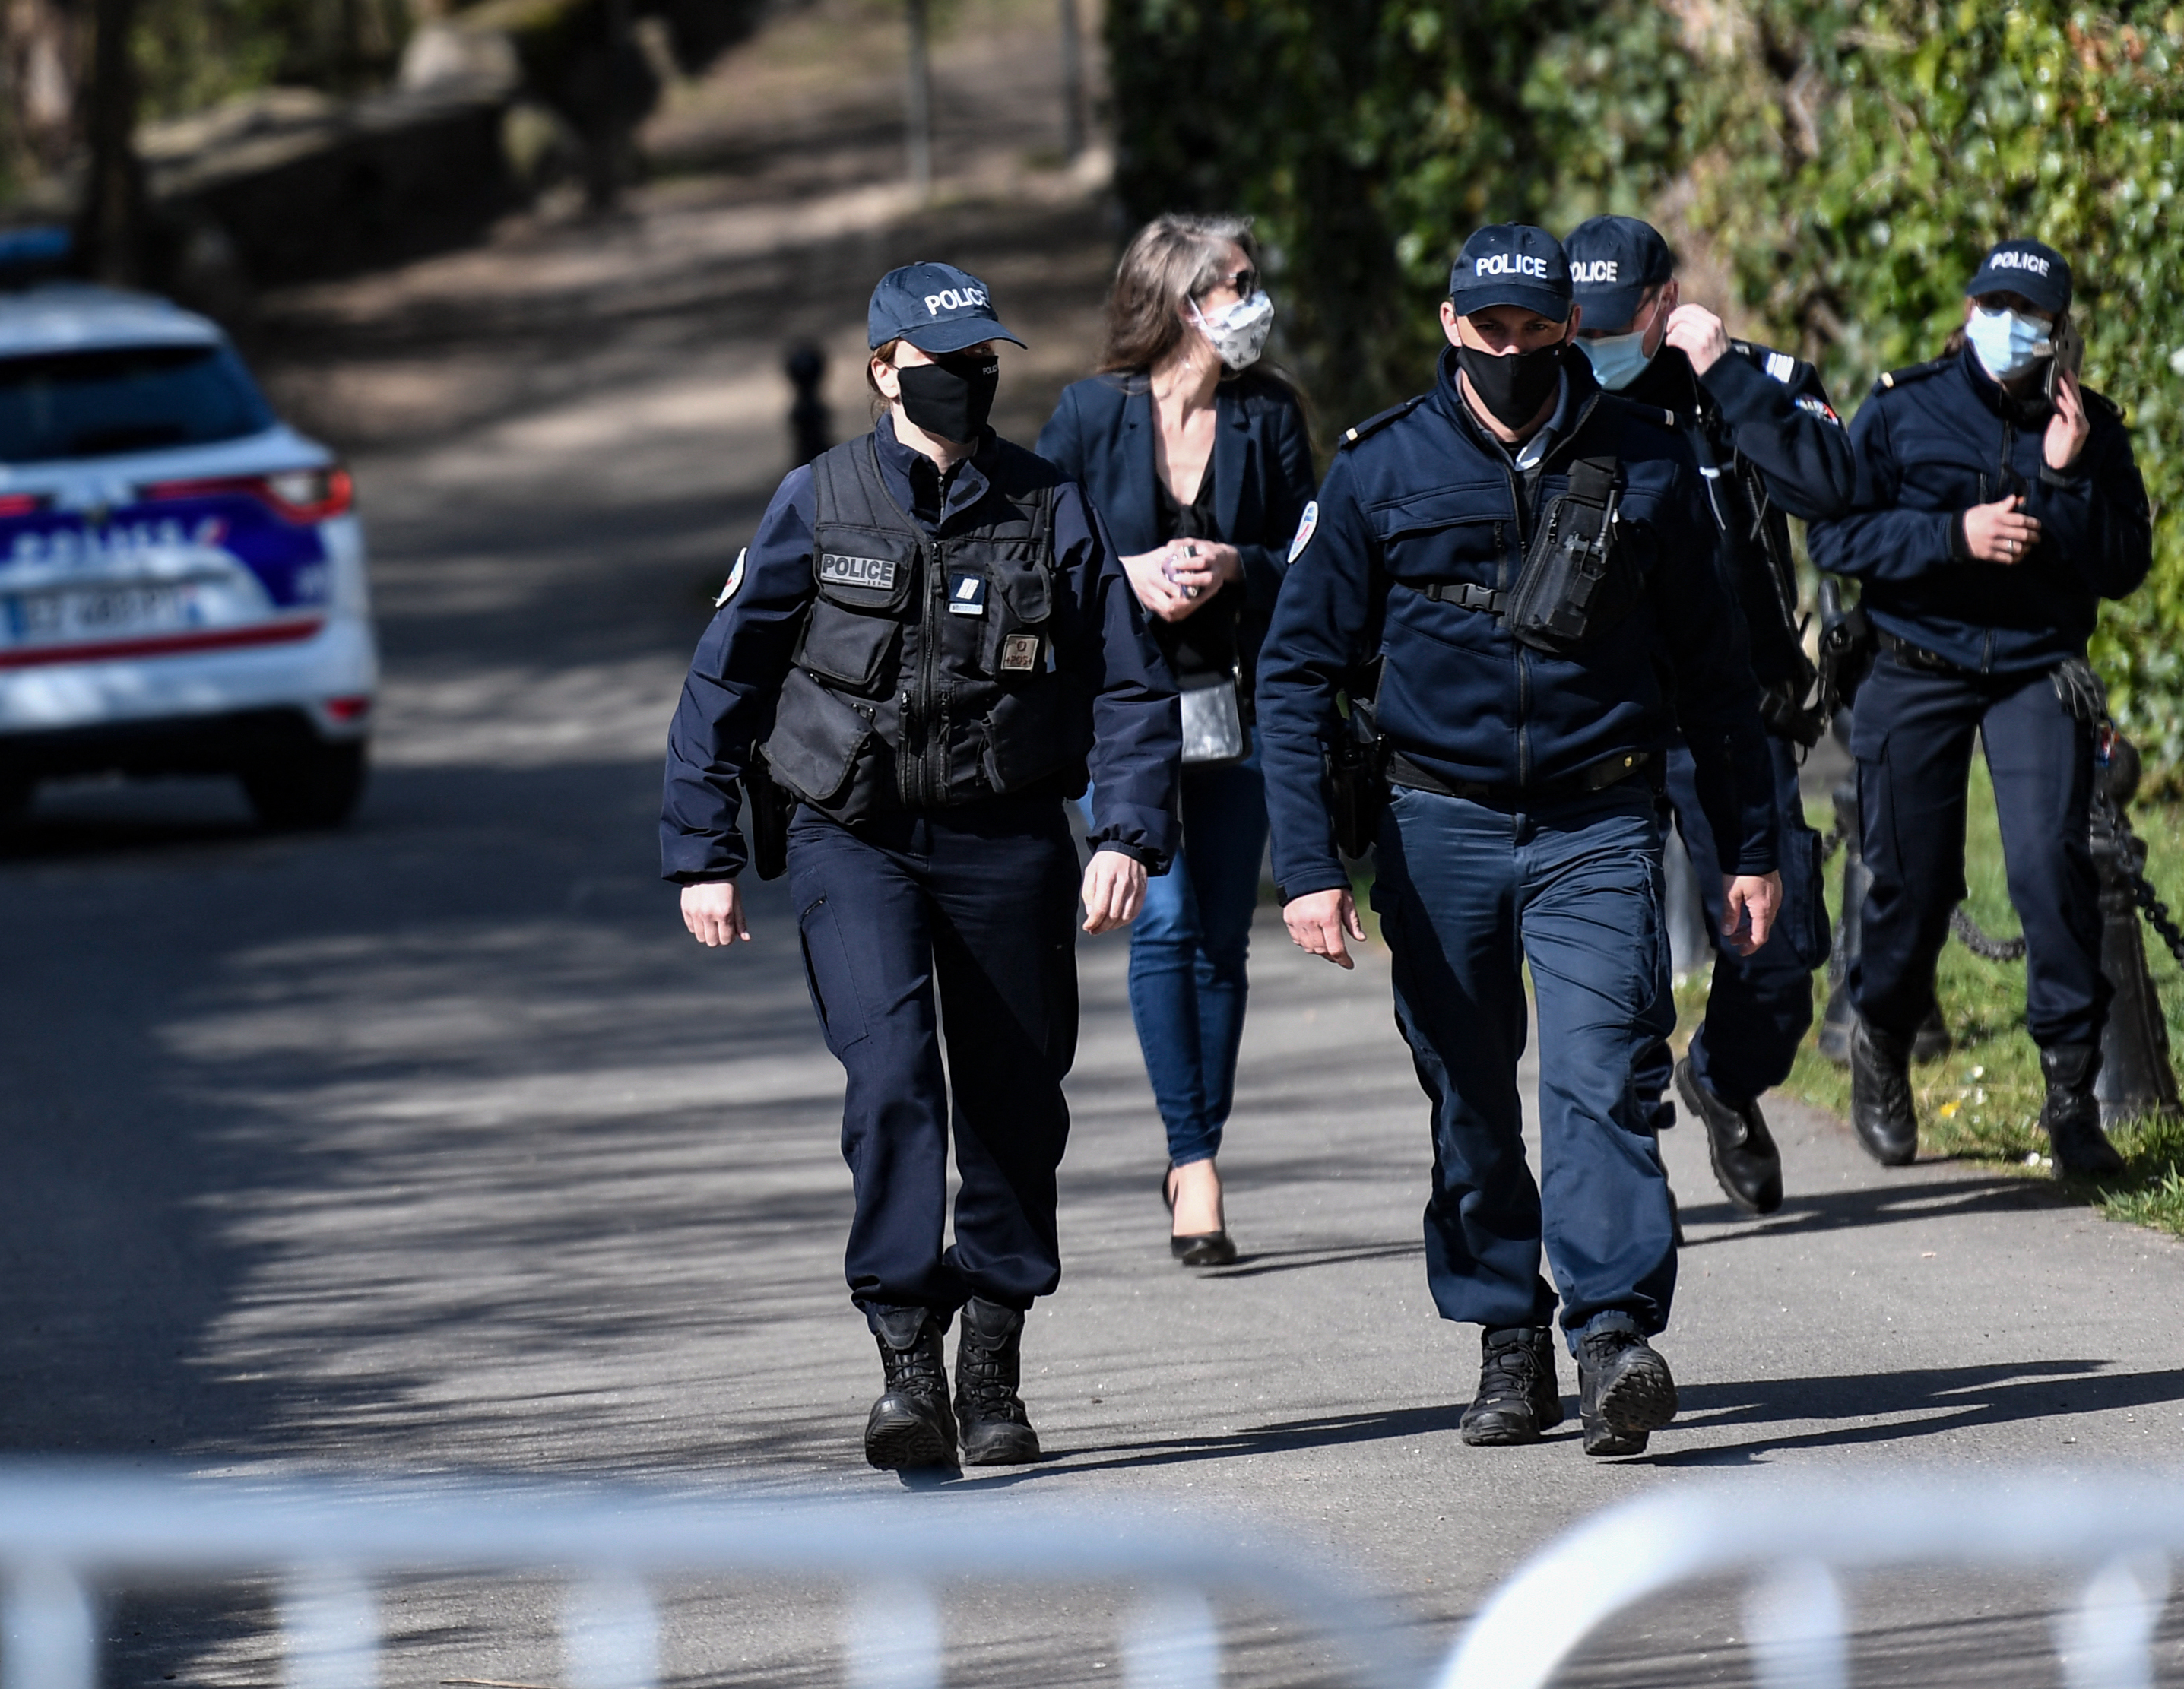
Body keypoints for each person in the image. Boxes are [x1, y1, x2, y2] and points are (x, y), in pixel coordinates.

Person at [1255, 223, 1780, 1460]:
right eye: (1485, 329)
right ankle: (1507, 1333)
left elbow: (1716, 679)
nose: (1508, 350)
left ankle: (1610, 1340)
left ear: (1563, 330)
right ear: (1449, 326)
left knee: (1599, 1078)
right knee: (1470, 1100)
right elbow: (1292, 674)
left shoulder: (1644, 462)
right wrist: (1311, 870)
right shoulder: (1378, 472)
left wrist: (1745, 848)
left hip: (1596, 819)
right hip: (1432, 825)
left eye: (1532, 330)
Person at [661, 261, 1179, 1472]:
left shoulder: (1046, 504)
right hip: (853, 834)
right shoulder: (817, 498)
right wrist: (703, 853)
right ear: (885, 371)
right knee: (891, 1079)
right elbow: (722, 679)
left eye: (981, 363)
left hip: (1005, 838)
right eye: (942, 367)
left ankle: (989, 1359)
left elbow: (1126, 681)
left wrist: (1125, 833)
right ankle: (905, 1360)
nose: (967, 383)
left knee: (1012, 1100)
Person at [1805, 239, 2153, 1180]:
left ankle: (2070, 1102)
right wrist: (1949, 536)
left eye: (2027, 314)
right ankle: (1881, 1035)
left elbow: (2122, 566)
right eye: (1992, 305)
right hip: (1914, 664)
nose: (2007, 326)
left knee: (2050, 870)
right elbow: (1834, 531)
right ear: (1966, 313)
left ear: (2056, 331)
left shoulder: (2089, 425)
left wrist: (2066, 476)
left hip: (2035, 669)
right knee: (1914, 887)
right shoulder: (1901, 407)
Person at [1566, 214, 1867, 1218]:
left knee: (1776, 964)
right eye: (1582, 324)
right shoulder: (1549, 388)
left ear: (1665, 304)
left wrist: (1723, 379)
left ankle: (1724, 1082)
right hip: (1600, 715)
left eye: (1620, 323)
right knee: (1614, 959)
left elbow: (1832, 489)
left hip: (1733, 711)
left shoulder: (1758, 377)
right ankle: (1627, 1165)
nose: (1596, 343)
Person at [1036, 214, 1314, 1267]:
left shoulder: (1267, 416)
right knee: (1159, 926)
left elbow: (1314, 553)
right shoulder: (1085, 415)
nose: (1252, 300)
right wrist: (1126, 576)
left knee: (1218, 938)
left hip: (1238, 709)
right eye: (1233, 283)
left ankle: (1199, 1138)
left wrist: (1237, 565)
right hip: (1124, 718)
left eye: (1251, 278)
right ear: (1176, 300)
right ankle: (1191, 1160)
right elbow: (1040, 554)